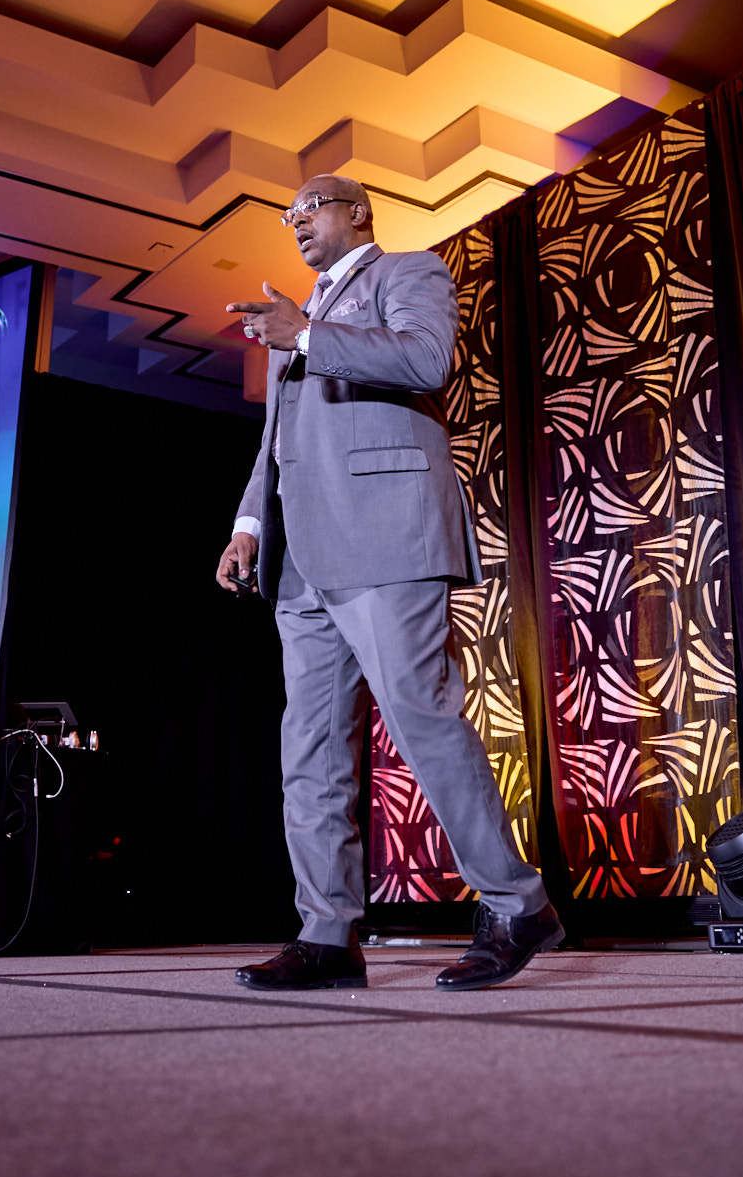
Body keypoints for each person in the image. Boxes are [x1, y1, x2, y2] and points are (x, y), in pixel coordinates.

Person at [216, 175, 563, 991]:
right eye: (288, 215)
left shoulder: (409, 272)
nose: (297, 223)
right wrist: (248, 524)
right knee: (308, 749)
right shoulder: (292, 318)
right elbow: (278, 439)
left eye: (311, 208)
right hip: (301, 555)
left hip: (387, 534)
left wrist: (307, 335)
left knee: (420, 721)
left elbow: (424, 358)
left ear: (356, 213)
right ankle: (328, 933)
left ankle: (518, 903)